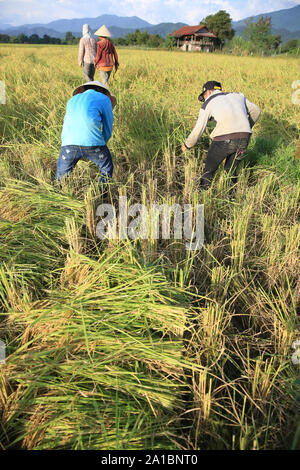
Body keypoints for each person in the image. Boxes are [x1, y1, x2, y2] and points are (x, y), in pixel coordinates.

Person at [181, 81, 261, 189]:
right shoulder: (238, 96)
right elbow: (256, 111)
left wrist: (187, 145)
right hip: (244, 138)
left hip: (224, 140)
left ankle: (202, 195)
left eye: (204, 96)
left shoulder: (208, 103)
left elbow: (198, 129)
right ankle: (231, 198)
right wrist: (246, 128)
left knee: (208, 171)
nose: (204, 99)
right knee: (231, 172)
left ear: (209, 91)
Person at [55, 81, 117, 194]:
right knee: (106, 168)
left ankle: (57, 198)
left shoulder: (72, 100)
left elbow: (66, 124)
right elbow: (108, 129)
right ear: (103, 91)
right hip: (94, 143)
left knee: (60, 176)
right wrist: (100, 146)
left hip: (68, 144)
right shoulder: (104, 99)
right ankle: (101, 194)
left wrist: (67, 144)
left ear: (83, 89)